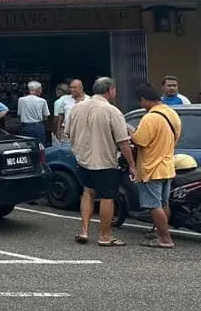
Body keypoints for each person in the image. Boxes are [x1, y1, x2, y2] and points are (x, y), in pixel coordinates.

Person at [65, 76, 135, 247]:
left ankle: (84, 230)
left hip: (83, 159)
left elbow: (67, 132)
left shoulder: (76, 108)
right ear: (110, 90)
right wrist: (132, 164)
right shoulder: (111, 111)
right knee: (107, 197)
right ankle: (105, 235)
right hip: (104, 161)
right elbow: (123, 141)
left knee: (87, 192)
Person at [132, 83, 181, 249]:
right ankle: (161, 232)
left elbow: (140, 140)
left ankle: (165, 239)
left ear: (145, 99)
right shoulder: (172, 113)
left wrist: (131, 132)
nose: (140, 105)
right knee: (163, 203)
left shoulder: (150, 117)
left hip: (151, 167)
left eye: (140, 101)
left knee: (154, 205)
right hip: (167, 165)